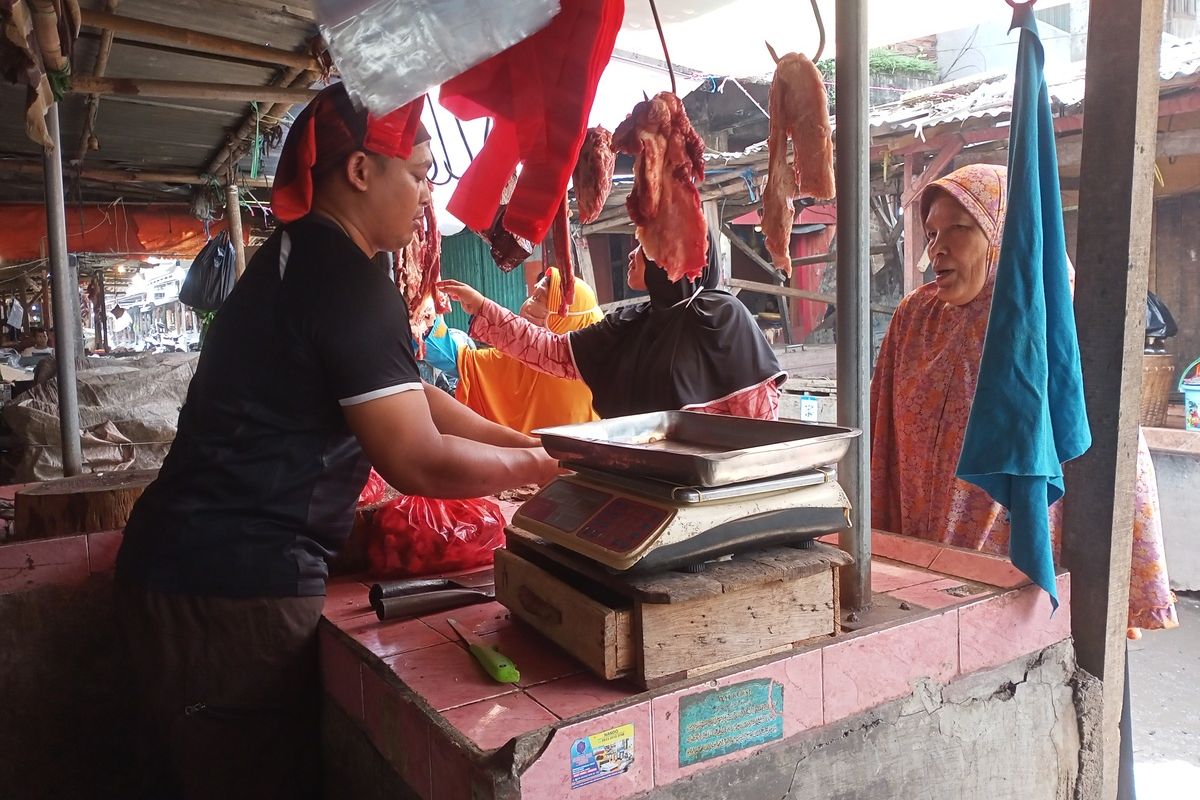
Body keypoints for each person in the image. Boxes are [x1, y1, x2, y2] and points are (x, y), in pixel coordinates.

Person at [113, 83, 559, 800]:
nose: (425, 198)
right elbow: (414, 456)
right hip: (229, 593)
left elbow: (419, 401)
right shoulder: (347, 282)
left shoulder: (299, 256)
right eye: (416, 174)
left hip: (188, 568)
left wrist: (531, 445)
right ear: (360, 171)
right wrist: (540, 466)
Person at [870, 163, 1177, 636]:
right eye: (932, 233)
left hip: (1018, 565)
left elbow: (1115, 450)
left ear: (1003, 233)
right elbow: (883, 439)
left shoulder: (1048, 315)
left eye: (960, 228)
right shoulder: (914, 318)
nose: (939, 248)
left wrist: (1126, 587)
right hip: (925, 559)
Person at [440, 239, 786, 420]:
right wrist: (482, 306)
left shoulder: (719, 315)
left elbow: (758, 417)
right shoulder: (631, 321)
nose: (632, 254)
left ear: (674, 255)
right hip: (641, 481)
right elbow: (555, 352)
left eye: (644, 245)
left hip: (712, 492)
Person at [455, 266, 602, 434]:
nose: (530, 303)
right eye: (533, 295)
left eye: (539, 299)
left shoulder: (581, 365)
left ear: (565, 316)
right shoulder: (525, 354)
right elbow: (469, 363)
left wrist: (483, 307)